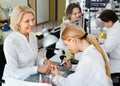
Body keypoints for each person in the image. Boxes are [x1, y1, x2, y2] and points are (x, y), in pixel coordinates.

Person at [2, 5, 52, 82]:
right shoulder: (10, 42)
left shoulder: (32, 36)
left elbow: (34, 57)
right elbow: (14, 72)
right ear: (18, 23)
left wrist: (44, 61)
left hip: (30, 77)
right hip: (15, 80)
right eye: (27, 21)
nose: (32, 24)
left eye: (33, 19)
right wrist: (37, 68)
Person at [98, 9, 120, 85]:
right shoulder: (114, 27)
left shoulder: (115, 31)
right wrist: (99, 40)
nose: (103, 25)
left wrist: (94, 46)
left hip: (117, 64)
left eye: (103, 23)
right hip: (114, 60)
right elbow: (109, 41)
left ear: (110, 22)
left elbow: (107, 48)